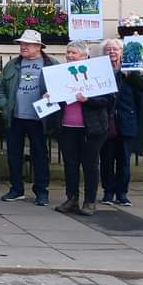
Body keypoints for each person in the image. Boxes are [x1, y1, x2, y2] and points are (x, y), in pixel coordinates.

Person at [0, 29, 58, 205]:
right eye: (22, 44)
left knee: (40, 155)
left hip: (39, 118)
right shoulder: (12, 64)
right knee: (14, 155)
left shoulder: (51, 64)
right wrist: (4, 105)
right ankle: (16, 189)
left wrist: (52, 95)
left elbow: (62, 88)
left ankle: (41, 191)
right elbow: (0, 88)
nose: (23, 47)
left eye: (27, 44)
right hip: (15, 117)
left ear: (38, 46)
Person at [51, 41, 112, 217]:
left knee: (90, 165)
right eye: (68, 52)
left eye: (74, 53)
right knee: (70, 164)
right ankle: (71, 198)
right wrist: (50, 95)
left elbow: (107, 100)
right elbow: (58, 97)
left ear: (84, 56)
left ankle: (90, 201)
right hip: (67, 126)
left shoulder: (97, 72)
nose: (69, 56)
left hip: (91, 128)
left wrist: (88, 100)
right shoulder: (61, 74)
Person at [100, 38, 138, 206]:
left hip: (126, 120)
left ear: (122, 52)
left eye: (115, 49)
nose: (112, 52)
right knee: (106, 159)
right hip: (106, 121)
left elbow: (142, 92)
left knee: (124, 160)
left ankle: (122, 193)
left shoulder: (131, 72)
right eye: (108, 49)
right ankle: (108, 192)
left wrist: (132, 77)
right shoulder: (100, 71)